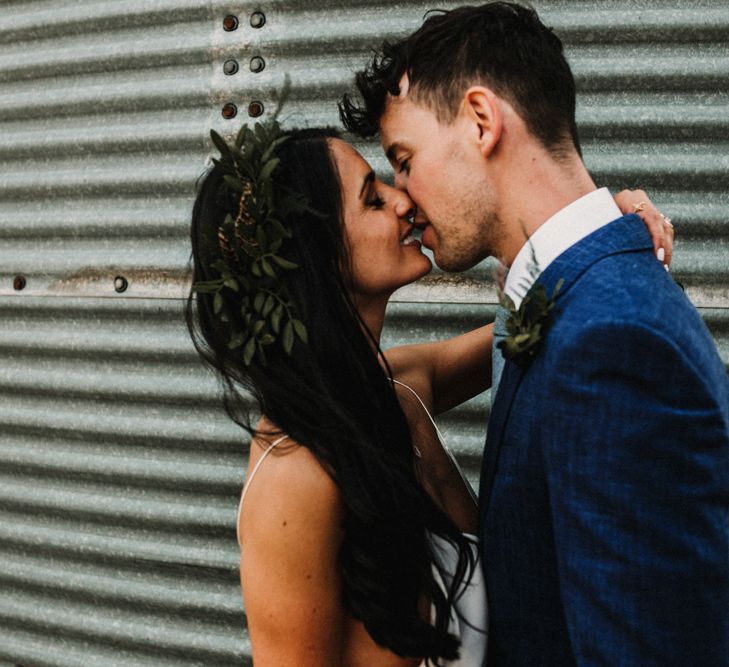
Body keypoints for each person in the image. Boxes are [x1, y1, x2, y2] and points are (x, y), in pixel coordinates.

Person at [186, 115, 669, 664]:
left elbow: (532, 318)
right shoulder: (295, 476)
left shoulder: (398, 388)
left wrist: (600, 224)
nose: (403, 201)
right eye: (372, 198)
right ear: (316, 256)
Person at [339, 2, 729, 666]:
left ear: (481, 121)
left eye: (403, 159)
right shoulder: (564, 299)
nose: (401, 194)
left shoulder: (606, 344)